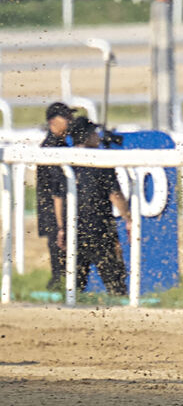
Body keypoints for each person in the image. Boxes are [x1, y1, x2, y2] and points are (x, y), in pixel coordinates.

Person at [53, 117, 131, 296]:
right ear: (87, 136)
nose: (98, 136)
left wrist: (61, 228)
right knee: (116, 284)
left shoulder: (65, 161)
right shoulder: (101, 161)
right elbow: (115, 195)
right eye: (95, 133)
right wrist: (128, 218)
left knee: (75, 286)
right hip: (101, 231)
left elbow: (57, 198)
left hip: (74, 231)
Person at [37, 102, 75, 290]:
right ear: (53, 121)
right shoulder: (51, 146)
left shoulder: (61, 144)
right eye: (66, 117)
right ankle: (58, 287)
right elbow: (55, 188)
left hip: (57, 207)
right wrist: (60, 224)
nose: (70, 121)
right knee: (59, 253)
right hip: (53, 209)